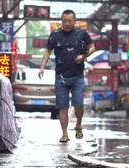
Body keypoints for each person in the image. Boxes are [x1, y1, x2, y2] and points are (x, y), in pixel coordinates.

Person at [39, 10, 95, 143]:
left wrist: (84, 56)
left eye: (70, 21)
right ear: (61, 21)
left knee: (78, 104)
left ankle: (78, 125)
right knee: (62, 107)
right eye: (65, 21)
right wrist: (42, 67)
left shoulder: (81, 34)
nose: (67, 23)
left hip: (77, 76)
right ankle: (64, 134)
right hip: (61, 77)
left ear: (74, 21)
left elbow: (92, 47)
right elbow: (47, 51)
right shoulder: (55, 35)